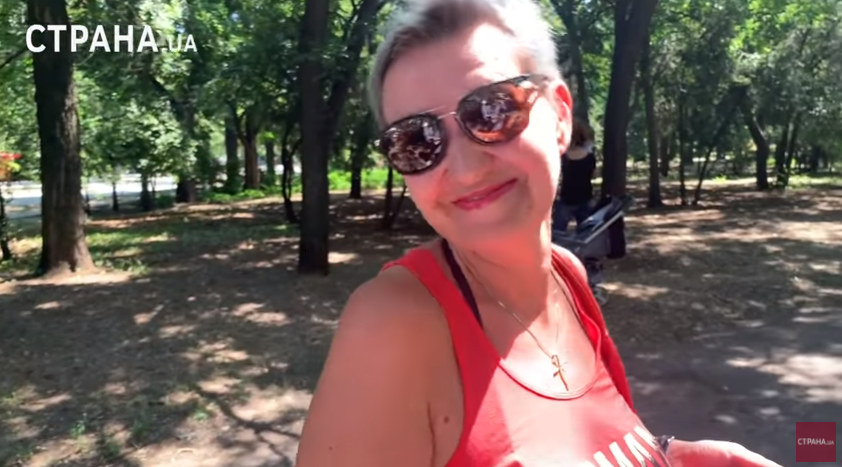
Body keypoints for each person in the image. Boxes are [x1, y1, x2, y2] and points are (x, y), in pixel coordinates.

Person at [294, 1, 784, 466]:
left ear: (561, 116)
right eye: (416, 140)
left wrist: (661, 455)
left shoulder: (567, 278)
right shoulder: (393, 326)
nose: (464, 169)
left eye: (492, 110)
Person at [553, 119, 597, 233]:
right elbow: (593, 175)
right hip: (585, 198)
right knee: (587, 235)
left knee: (557, 234)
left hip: (566, 199)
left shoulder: (563, 156)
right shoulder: (590, 157)